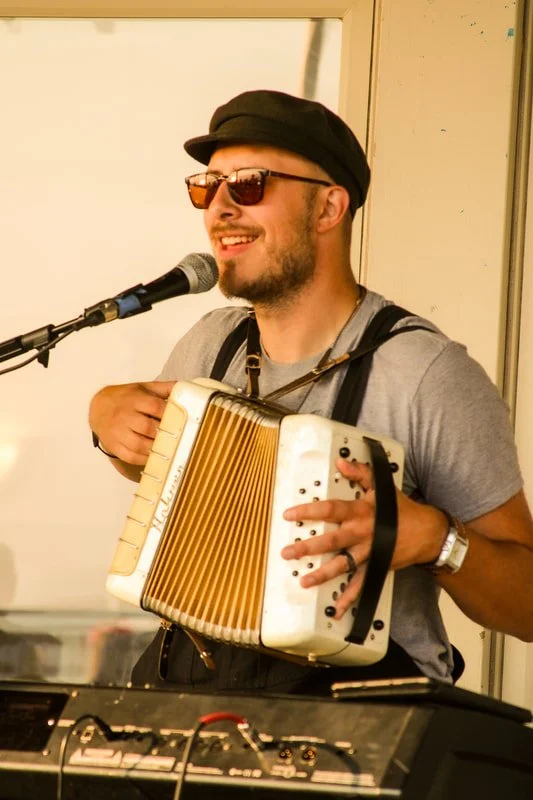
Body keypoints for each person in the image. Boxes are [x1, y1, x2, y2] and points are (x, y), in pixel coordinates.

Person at [89, 89, 533, 694]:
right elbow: (165, 480)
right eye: (207, 188)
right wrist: (107, 425)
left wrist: (435, 539)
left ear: (328, 208)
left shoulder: (426, 374)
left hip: (361, 711)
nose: (219, 208)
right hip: (193, 692)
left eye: (248, 184)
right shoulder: (208, 344)